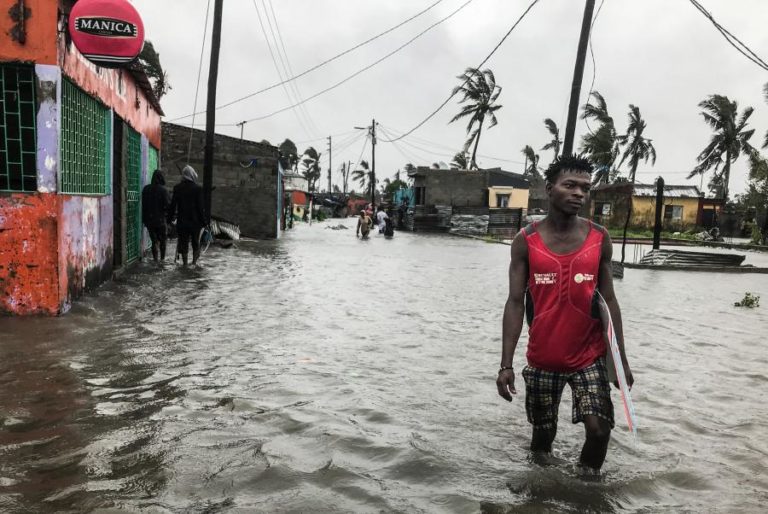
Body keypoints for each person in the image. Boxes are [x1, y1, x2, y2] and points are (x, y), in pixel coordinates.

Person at [496, 155, 634, 474]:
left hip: (589, 356)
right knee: (543, 439)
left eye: (585, 188)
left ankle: (586, 493)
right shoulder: (525, 242)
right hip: (544, 357)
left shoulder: (600, 238)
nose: (579, 194)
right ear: (549, 189)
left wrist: (621, 360)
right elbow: (515, 303)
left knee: (600, 431)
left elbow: (609, 301)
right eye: (569, 185)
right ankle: (539, 494)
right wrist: (506, 365)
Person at [167, 165, 206, 266]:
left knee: (183, 243)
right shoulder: (198, 189)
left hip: (182, 222)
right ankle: (194, 263)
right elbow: (200, 208)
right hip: (195, 222)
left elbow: (173, 206)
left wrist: (169, 221)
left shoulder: (177, 188)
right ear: (192, 175)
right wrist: (204, 222)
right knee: (195, 243)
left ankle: (184, 265)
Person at [141, 169, 170, 262]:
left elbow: (144, 206)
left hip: (149, 220)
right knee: (163, 241)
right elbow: (168, 205)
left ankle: (155, 260)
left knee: (154, 241)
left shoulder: (146, 189)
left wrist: (144, 219)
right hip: (161, 220)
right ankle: (162, 260)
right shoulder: (164, 190)